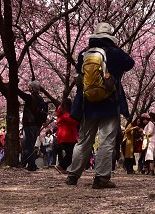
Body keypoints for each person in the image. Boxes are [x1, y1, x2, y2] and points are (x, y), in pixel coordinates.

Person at [64, 22, 135, 189]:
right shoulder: (115, 53)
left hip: (87, 104)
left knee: (83, 141)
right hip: (110, 104)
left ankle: (72, 176)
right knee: (106, 141)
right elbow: (130, 63)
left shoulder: (83, 54)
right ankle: (101, 178)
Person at [16, 81, 52, 172]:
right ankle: (25, 163)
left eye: (29, 87)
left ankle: (31, 165)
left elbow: (20, 93)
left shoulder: (30, 98)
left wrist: (13, 84)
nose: (28, 88)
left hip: (29, 123)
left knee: (28, 145)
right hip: (37, 125)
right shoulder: (41, 100)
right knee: (31, 145)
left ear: (32, 88)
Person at [54, 91, 79, 173]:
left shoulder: (61, 112)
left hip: (64, 135)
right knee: (70, 154)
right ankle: (61, 166)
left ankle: (62, 167)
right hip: (67, 135)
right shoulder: (65, 113)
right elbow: (72, 121)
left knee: (70, 153)